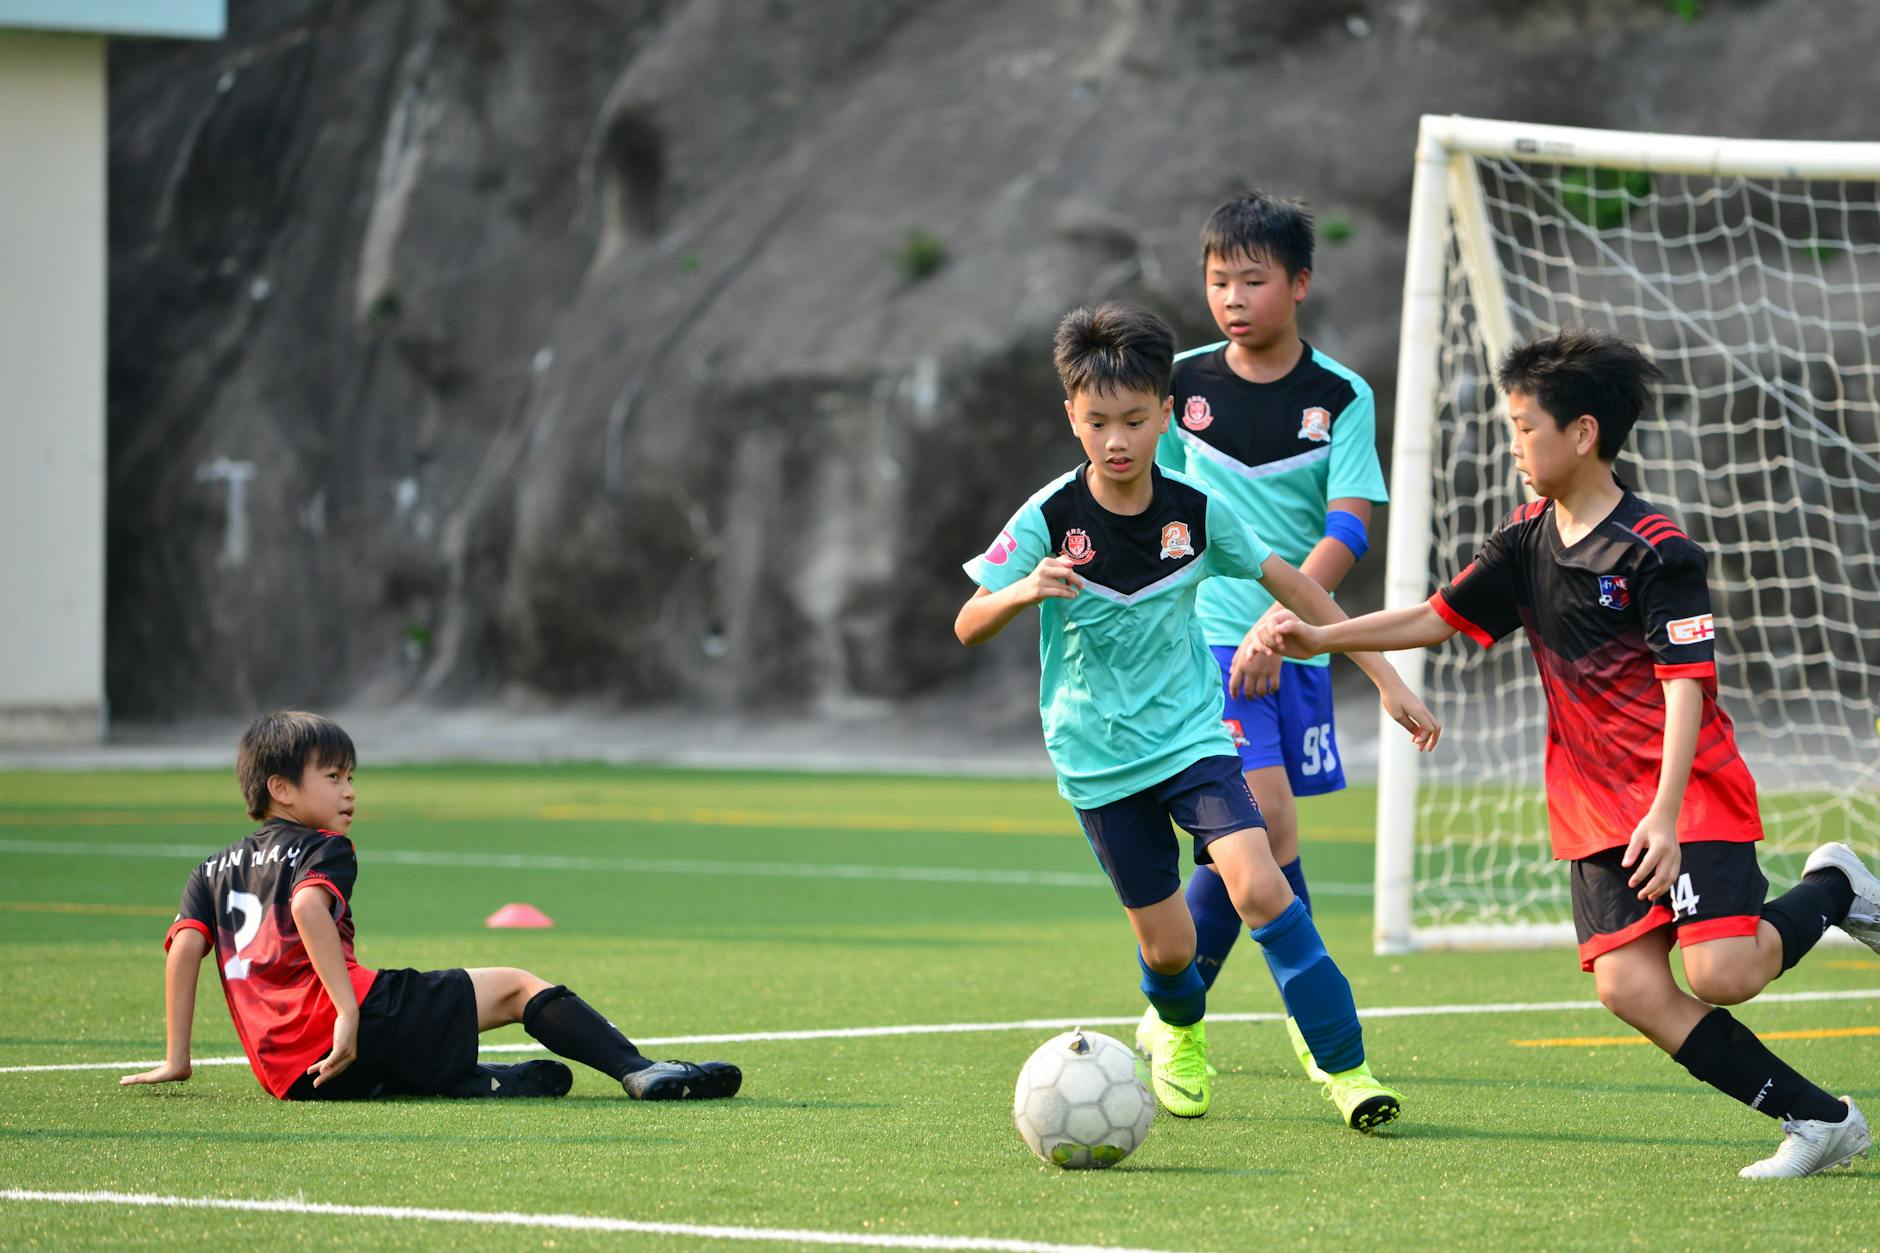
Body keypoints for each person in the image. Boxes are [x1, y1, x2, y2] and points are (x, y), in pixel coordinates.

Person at [1258, 326, 1880, 1176]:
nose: (1514, 442)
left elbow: (1687, 685)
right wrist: (1321, 637)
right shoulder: (1523, 540)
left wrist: (1664, 817)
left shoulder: (1658, 550)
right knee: (1628, 987)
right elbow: (1436, 618)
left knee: (1725, 971)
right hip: (1591, 804)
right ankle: (1820, 1121)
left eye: (1525, 425)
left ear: (1582, 433)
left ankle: (1836, 884)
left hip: (1684, 789)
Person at [956, 301, 1438, 1130]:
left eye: (1136, 420)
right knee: (1171, 949)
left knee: (1263, 885)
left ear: (1165, 415)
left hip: (1193, 740)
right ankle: (1179, 1029)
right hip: (1099, 761)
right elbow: (967, 620)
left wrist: (1380, 673)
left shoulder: (1197, 512)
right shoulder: (1047, 517)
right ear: (1070, 415)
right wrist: (1022, 590)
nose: (1118, 439)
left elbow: (1298, 587)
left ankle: (1348, 1071)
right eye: (1098, 420)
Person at [122, 710, 741, 1103]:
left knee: (415, 1030)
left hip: (294, 1078)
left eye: (351, 777)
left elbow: (185, 951)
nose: (350, 791)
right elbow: (311, 908)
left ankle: (468, 1077)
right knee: (517, 987)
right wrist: (344, 1014)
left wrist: (179, 1059)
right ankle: (639, 1069)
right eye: (334, 777)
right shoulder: (324, 847)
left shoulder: (208, 869)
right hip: (354, 1029)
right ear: (281, 789)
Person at [1147, 191, 1390, 1084]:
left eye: (1253, 280)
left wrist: (1288, 615)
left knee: (1255, 841)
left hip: (1300, 639)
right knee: (1266, 818)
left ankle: (1172, 1010)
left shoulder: (1342, 394)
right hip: (1203, 638)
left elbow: (1351, 526)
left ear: (1300, 284)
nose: (1232, 298)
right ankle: (1305, 1018)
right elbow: (1155, 510)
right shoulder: (1178, 385)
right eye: (1218, 281)